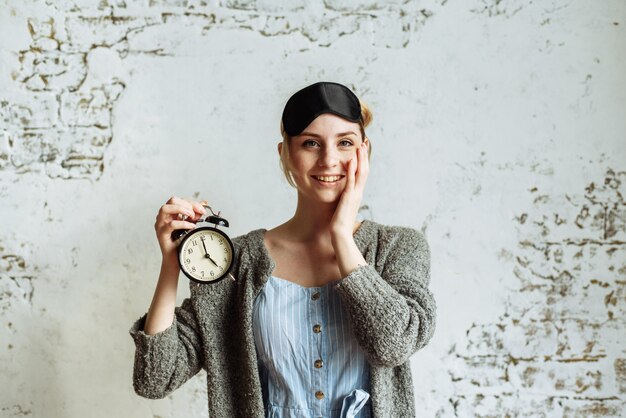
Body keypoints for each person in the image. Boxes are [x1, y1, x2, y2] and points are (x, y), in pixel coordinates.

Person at [129, 81, 436, 418]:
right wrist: (173, 264)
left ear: (365, 151)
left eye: (345, 143)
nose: (329, 159)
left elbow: (393, 345)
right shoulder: (236, 263)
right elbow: (154, 379)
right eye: (310, 143)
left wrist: (341, 237)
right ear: (286, 153)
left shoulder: (398, 248)